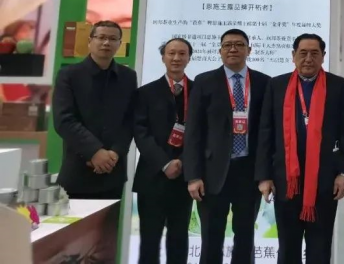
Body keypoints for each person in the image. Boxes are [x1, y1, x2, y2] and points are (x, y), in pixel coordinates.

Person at [255, 33, 344, 264]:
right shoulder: (276, 85)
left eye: (314, 53)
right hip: (286, 180)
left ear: (323, 56)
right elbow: (266, 132)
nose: (308, 59)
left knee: (320, 246)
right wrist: (264, 176)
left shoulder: (339, 86)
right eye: (303, 53)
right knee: (288, 246)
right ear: (293, 55)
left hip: (325, 180)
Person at [183, 29, 271, 264]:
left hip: (249, 171)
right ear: (220, 51)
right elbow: (193, 132)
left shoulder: (264, 82)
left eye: (239, 45)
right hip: (212, 172)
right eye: (227, 45)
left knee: (245, 236)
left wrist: (265, 174)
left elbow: (268, 133)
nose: (233, 49)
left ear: (249, 50)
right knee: (211, 237)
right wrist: (193, 176)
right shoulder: (204, 81)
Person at [52, 20, 136, 200]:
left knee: (110, 219)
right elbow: (64, 120)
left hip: (113, 171)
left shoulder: (128, 76)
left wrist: (115, 153)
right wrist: (95, 151)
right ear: (90, 41)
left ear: (119, 44)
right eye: (101, 37)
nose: (106, 43)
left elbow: (129, 120)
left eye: (112, 39)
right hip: (78, 170)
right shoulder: (69, 75)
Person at [134, 38, 195, 264]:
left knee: (179, 238)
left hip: (184, 176)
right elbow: (141, 133)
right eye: (171, 53)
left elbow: (202, 134)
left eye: (182, 53)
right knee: (149, 240)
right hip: (152, 176)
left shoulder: (199, 91)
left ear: (189, 58)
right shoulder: (145, 93)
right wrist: (165, 163)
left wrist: (183, 162)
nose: (176, 58)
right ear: (163, 57)